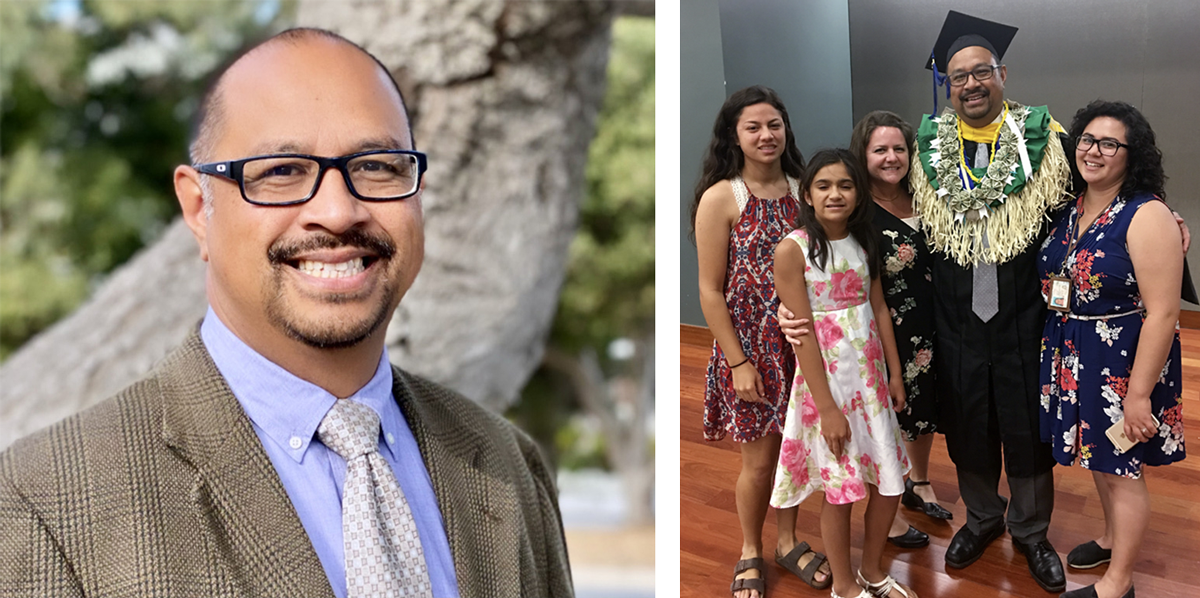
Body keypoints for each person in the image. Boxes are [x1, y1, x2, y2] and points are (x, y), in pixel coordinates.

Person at [0, 28, 572, 598]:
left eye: (376, 166)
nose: (337, 211)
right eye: (281, 172)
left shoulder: (507, 465)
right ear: (199, 209)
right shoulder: (45, 500)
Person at [1039, 101, 1185, 598]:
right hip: (1073, 350)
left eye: (1109, 144)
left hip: (1120, 362)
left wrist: (1138, 395)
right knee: (1100, 460)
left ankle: (1118, 584)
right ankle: (1109, 538)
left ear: (1132, 153)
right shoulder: (1072, 205)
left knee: (1122, 469)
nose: (1094, 151)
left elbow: (1164, 312)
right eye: (1086, 140)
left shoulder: (1147, 215)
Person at [693, 85, 831, 598]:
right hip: (749, 349)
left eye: (774, 124)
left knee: (795, 452)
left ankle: (789, 540)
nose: (766, 135)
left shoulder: (805, 190)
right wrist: (738, 362)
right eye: (753, 126)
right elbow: (710, 290)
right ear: (735, 135)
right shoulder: (721, 197)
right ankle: (751, 547)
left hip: (802, 345)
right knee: (758, 461)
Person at [771, 149, 916, 598]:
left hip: (870, 381)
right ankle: (845, 585)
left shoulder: (864, 240)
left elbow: (878, 307)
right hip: (827, 385)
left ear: (858, 194)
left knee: (889, 482)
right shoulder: (792, 249)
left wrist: (894, 372)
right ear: (808, 194)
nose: (835, 194)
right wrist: (828, 409)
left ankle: (873, 570)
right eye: (824, 185)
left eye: (846, 185)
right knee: (843, 489)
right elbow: (803, 335)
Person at [849, 111, 953, 549]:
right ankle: (884, 511)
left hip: (934, 324)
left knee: (923, 407)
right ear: (863, 154)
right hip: (882, 329)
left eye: (899, 149)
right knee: (885, 417)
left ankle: (919, 481)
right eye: (880, 150)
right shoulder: (854, 210)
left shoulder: (925, 196)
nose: (892, 158)